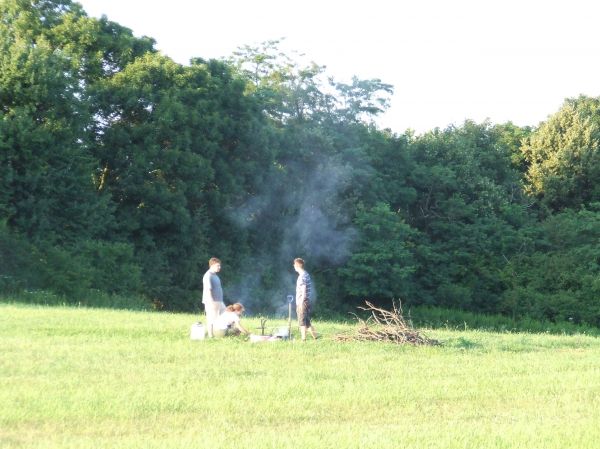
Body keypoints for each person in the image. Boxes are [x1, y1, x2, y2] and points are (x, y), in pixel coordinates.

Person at [293, 258, 317, 341]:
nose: (293, 266)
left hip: (303, 302)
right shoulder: (306, 274)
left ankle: (303, 340)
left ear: (298, 265)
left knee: (302, 322)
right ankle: (316, 338)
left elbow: (303, 290)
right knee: (307, 322)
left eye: (294, 264)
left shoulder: (302, 276)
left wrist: (300, 303)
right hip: (306, 301)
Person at [202, 257, 226, 338]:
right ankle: (210, 335)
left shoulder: (214, 275)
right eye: (218, 266)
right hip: (212, 301)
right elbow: (208, 290)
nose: (219, 267)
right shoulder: (208, 276)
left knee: (225, 314)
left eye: (219, 266)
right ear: (212, 265)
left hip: (219, 301)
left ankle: (222, 332)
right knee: (211, 318)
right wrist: (211, 302)